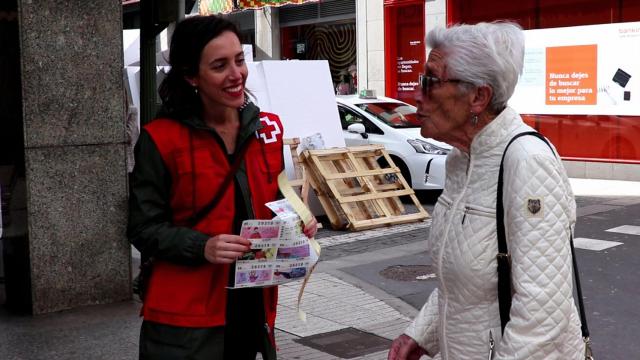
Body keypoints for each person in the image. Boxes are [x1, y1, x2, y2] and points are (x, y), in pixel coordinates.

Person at [388, 21, 585, 359]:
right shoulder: (460, 161)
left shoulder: (527, 160)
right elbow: (463, 284)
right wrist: (420, 334)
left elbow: (543, 311)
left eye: (430, 81)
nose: (416, 95)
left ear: (478, 97)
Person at [128, 15, 317, 360]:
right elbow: (142, 227)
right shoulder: (160, 139)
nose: (236, 75)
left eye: (240, 60)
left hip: (253, 304)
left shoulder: (268, 129)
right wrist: (203, 246)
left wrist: (297, 221)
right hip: (185, 318)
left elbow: (274, 199)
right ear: (191, 76)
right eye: (219, 65)